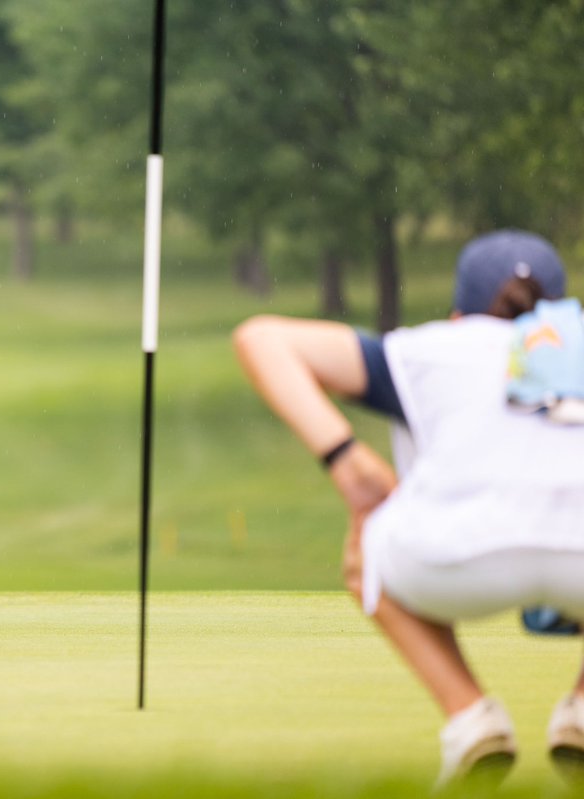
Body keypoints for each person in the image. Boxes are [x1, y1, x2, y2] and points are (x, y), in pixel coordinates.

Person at [233, 230, 584, 788]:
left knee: (366, 547)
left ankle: (471, 719)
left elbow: (262, 339)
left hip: (455, 561)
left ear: (456, 314)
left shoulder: (430, 350)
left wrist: (347, 462)